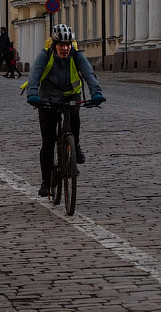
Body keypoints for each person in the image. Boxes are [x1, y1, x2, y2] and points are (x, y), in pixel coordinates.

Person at [25, 24, 105, 197]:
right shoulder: (44, 56)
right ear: (54, 45)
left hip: (71, 95)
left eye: (68, 44)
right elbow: (34, 75)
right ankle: (46, 182)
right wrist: (32, 94)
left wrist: (96, 92)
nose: (65, 48)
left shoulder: (77, 55)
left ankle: (74, 145)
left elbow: (89, 74)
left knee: (75, 117)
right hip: (47, 98)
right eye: (61, 45)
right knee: (48, 142)